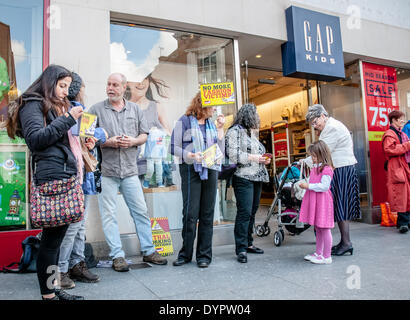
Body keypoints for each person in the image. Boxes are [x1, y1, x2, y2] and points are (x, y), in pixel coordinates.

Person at [5, 65, 84, 300]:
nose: (65, 92)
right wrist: (68, 119)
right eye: (62, 86)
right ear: (49, 83)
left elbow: (56, 139)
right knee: (50, 243)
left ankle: (52, 290)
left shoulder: (54, 106)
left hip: (63, 175)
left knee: (54, 242)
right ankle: (48, 295)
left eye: (68, 87)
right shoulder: (32, 103)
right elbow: (36, 140)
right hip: (52, 178)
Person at [87, 73, 167, 272]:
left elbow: (144, 135)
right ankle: (117, 256)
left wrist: (132, 141)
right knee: (108, 215)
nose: (110, 88)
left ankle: (148, 250)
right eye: (108, 84)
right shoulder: (95, 109)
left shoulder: (135, 109)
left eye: (115, 84)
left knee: (140, 211)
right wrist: (106, 142)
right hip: (106, 171)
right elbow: (85, 138)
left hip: (130, 171)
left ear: (124, 88)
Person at [57, 72, 106, 289]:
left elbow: (94, 135)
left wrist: (95, 137)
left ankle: (76, 264)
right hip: (72, 176)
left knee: (79, 225)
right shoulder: (72, 109)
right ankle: (61, 269)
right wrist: (97, 135)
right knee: (72, 226)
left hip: (81, 175)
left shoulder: (74, 110)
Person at [170, 92, 225, 268]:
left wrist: (221, 129)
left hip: (210, 168)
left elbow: (220, 149)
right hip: (190, 169)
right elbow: (173, 146)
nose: (215, 109)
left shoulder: (212, 124)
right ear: (203, 104)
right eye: (213, 105)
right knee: (190, 214)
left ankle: (204, 256)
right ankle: (185, 254)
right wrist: (190, 155)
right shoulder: (184, 121)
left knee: (207, 214)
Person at [304, 104, 360, 256]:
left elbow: (322, 152)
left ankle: (346, 242)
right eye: (313, 124)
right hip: (341, 168)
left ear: (323, 115)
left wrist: (303, 162)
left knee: (340, 204)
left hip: (341, 168)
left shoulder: (332, 128)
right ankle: (344, 241)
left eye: (315, 122)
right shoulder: (331, 126)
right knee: (340, 204)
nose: (315, 126)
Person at [225, 104, 270, 263]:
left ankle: (249, 244)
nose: (258, 117)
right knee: (244, 212)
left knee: (252, 211)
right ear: (249, 115)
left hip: (257, 176)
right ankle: (241, 248)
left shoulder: (251, 133)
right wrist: (254, 158)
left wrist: (263, 158)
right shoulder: (234, 131)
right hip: (243, 177)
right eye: (255, 114)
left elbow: (256, 153)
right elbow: (233, 154)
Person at [127, 74, 174, 186]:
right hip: (131, 168)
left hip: (155, 163)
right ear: (127, 82)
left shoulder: (156, 106)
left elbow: (168, 135)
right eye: (136, 79)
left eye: (145, 78)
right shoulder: (124, 107)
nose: (141, 83)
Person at [299, 140, 335, 264]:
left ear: (321, 154)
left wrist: (308, 186)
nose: (312, 158)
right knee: (318, 228)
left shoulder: (326, 169)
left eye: (314, 156)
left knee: (324, 228)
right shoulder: (316, 167)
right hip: (317, 200)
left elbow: (325, 186)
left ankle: (326, 256)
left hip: (323, 201)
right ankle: (318, 253)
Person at [382, 110, 410, 233]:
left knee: (406, 194)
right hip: (396, 166)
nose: (402, 121)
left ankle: (404, 222)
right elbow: (389, 149)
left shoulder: (399, 133)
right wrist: (407, 145)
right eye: (400, 119)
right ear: (394, 120)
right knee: (401, 195)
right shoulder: (390, 133)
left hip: (402, 165)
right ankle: (403, 223)